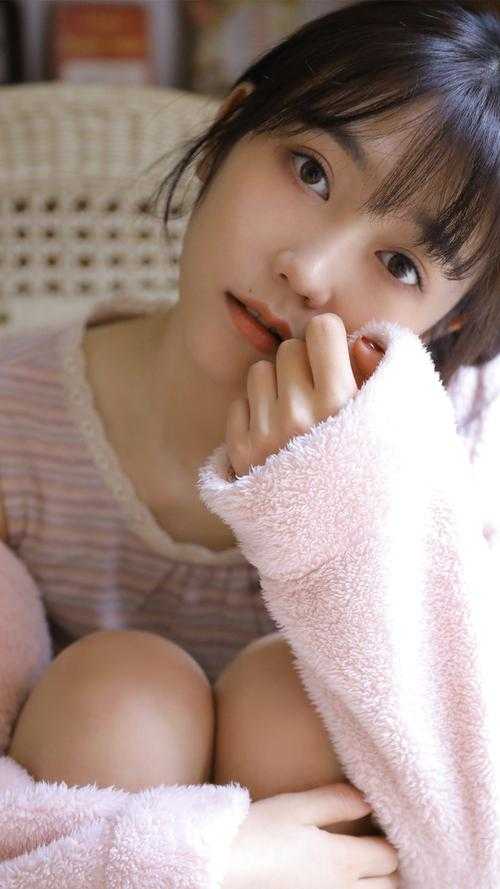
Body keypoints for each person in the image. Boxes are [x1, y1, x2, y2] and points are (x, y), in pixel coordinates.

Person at [0, 0, 499, 885]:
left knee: (293, 702)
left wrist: (337, 506)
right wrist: (209, 862)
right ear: (229, 129)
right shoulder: (15, 422)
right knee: (121, 693)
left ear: (449, 320)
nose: (308, 273)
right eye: (310, 171)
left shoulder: (468, 452)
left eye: (400, 265)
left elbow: (476, 845)